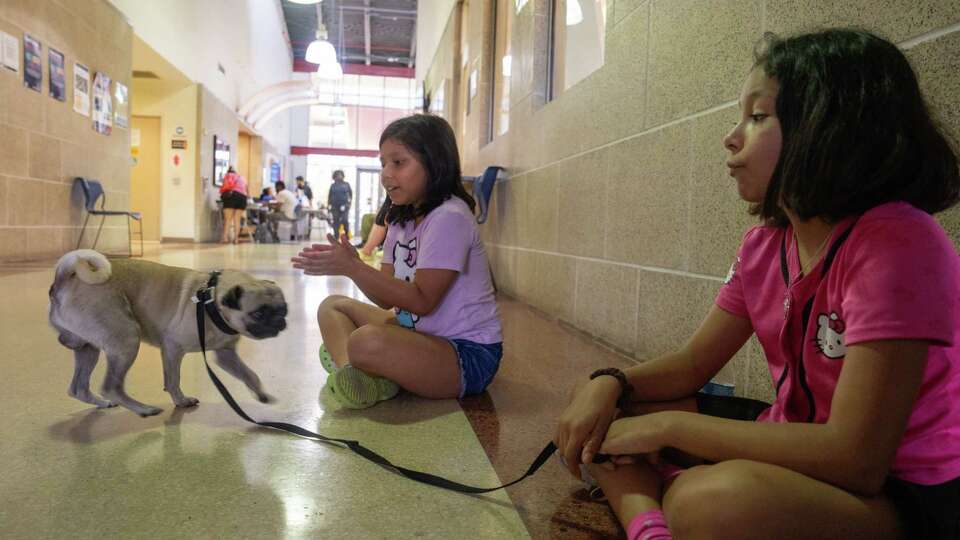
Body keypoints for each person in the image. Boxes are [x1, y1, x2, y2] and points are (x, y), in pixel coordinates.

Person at [554, 29, 960, 540]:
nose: (731, 136)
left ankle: (676, 499)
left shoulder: (899, 243)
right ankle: (650, 527)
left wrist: (669, 428)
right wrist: (610, 382)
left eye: (758, 116)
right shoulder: (764, 245)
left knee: (710, 502)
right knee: (595, 404)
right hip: (795, 442)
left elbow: (858, 458)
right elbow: (692, 365)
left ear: (829, 126)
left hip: (896, 496)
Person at [291, 114, 503, 409]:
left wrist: (353, 267)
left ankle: (369, 371)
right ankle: (356, 378)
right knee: (332, 307)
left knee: (364, 342)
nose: (386, 174)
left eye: (399, 162)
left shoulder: (449, 217)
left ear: (434, 162)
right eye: (383, 163)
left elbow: (422, 301)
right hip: (418, 334)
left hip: (466, 355)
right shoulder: (400, 219)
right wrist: (354, 267)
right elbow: (384, 299)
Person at [218, 166, 248, 244]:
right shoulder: (242, 178)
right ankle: (236, 239)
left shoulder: (227, 176)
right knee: (237, 219)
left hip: (231, 196)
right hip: (242, 197)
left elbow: (225, 187)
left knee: (228, 219)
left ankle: (225, 238)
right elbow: (247, 191)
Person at [327, 169, 352, 237]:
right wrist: (328, 206)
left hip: (345, 206)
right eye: (337, 175)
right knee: (336, 222)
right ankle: (336, 236)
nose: (339, 177)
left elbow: (350, 195)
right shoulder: (333, 185)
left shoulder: (346, 184)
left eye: (340, 175)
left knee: (345, 220)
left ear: (343, 176)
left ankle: (347, 235)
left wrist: (349, 204)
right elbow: (329, 196)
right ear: (334, 176)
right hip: (334, 207)